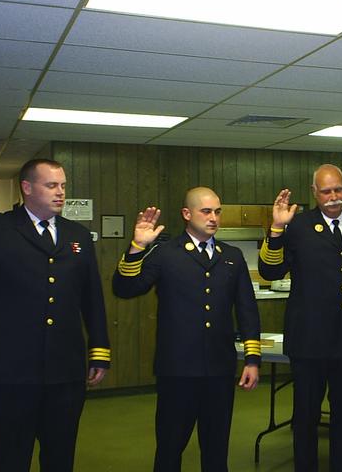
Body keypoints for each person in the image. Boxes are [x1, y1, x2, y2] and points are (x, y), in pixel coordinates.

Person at [0, 160, 111, 472]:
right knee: (9, 455)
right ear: (27, 188)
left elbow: (92, 298)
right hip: (10, 371)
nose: (60, 193)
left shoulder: (77, 234)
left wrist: (99, 352)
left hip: (64, 371)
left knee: (60, 454)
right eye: (51, 185)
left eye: (63, 185)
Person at [112, 187, 261, 472]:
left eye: (217, 211)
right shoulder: (166, 253)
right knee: (170, 446)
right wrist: (136, 248)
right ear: (186, 214)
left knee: (216, 448)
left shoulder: (231, 256)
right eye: (206, 211)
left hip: (219, 369)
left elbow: (247, 310)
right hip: (177, 370)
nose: (214, 217)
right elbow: (125, 288)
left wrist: (252, 360)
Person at [258, 164, 342, 472]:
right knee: (306, 418)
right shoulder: (299, 226)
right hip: (309, 344)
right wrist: (276, 229)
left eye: (338, 190)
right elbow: (270, 271)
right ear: (314, 193)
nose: (333, 197)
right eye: (326, 191)